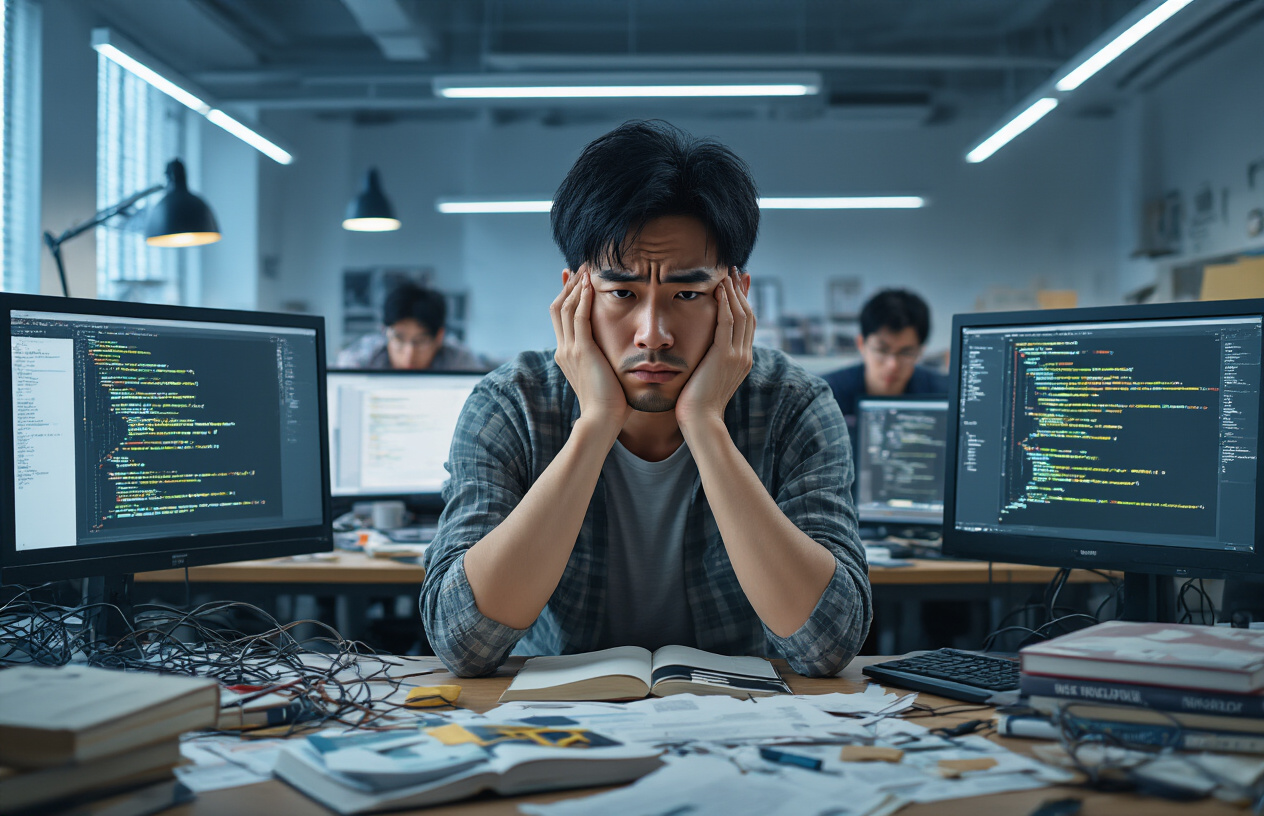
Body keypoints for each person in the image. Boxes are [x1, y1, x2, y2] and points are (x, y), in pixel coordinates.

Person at [421, 120, 870, 678]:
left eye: (686, 293)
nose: (652, 332)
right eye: (622, 293)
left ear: (736, 296)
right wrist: (596, 424)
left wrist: (705, 424)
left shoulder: (794, 405)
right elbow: (462, 644)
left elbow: (827, 647)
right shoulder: (510, 404)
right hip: (558, 723)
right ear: (573, 294)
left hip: (740, 722)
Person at [822, 289, 948, 460]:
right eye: (882, 350)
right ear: (861, 344)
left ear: (920, 352)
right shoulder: (827, 395)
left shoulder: (943, 395)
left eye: (906, 352)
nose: (892, 365)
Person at [336, 282, 491, 371]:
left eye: (421, 341)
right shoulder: (361, 359)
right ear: (384, 332)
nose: (409, 354)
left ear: (439, 337)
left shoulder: (460, 362)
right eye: (399, 338)